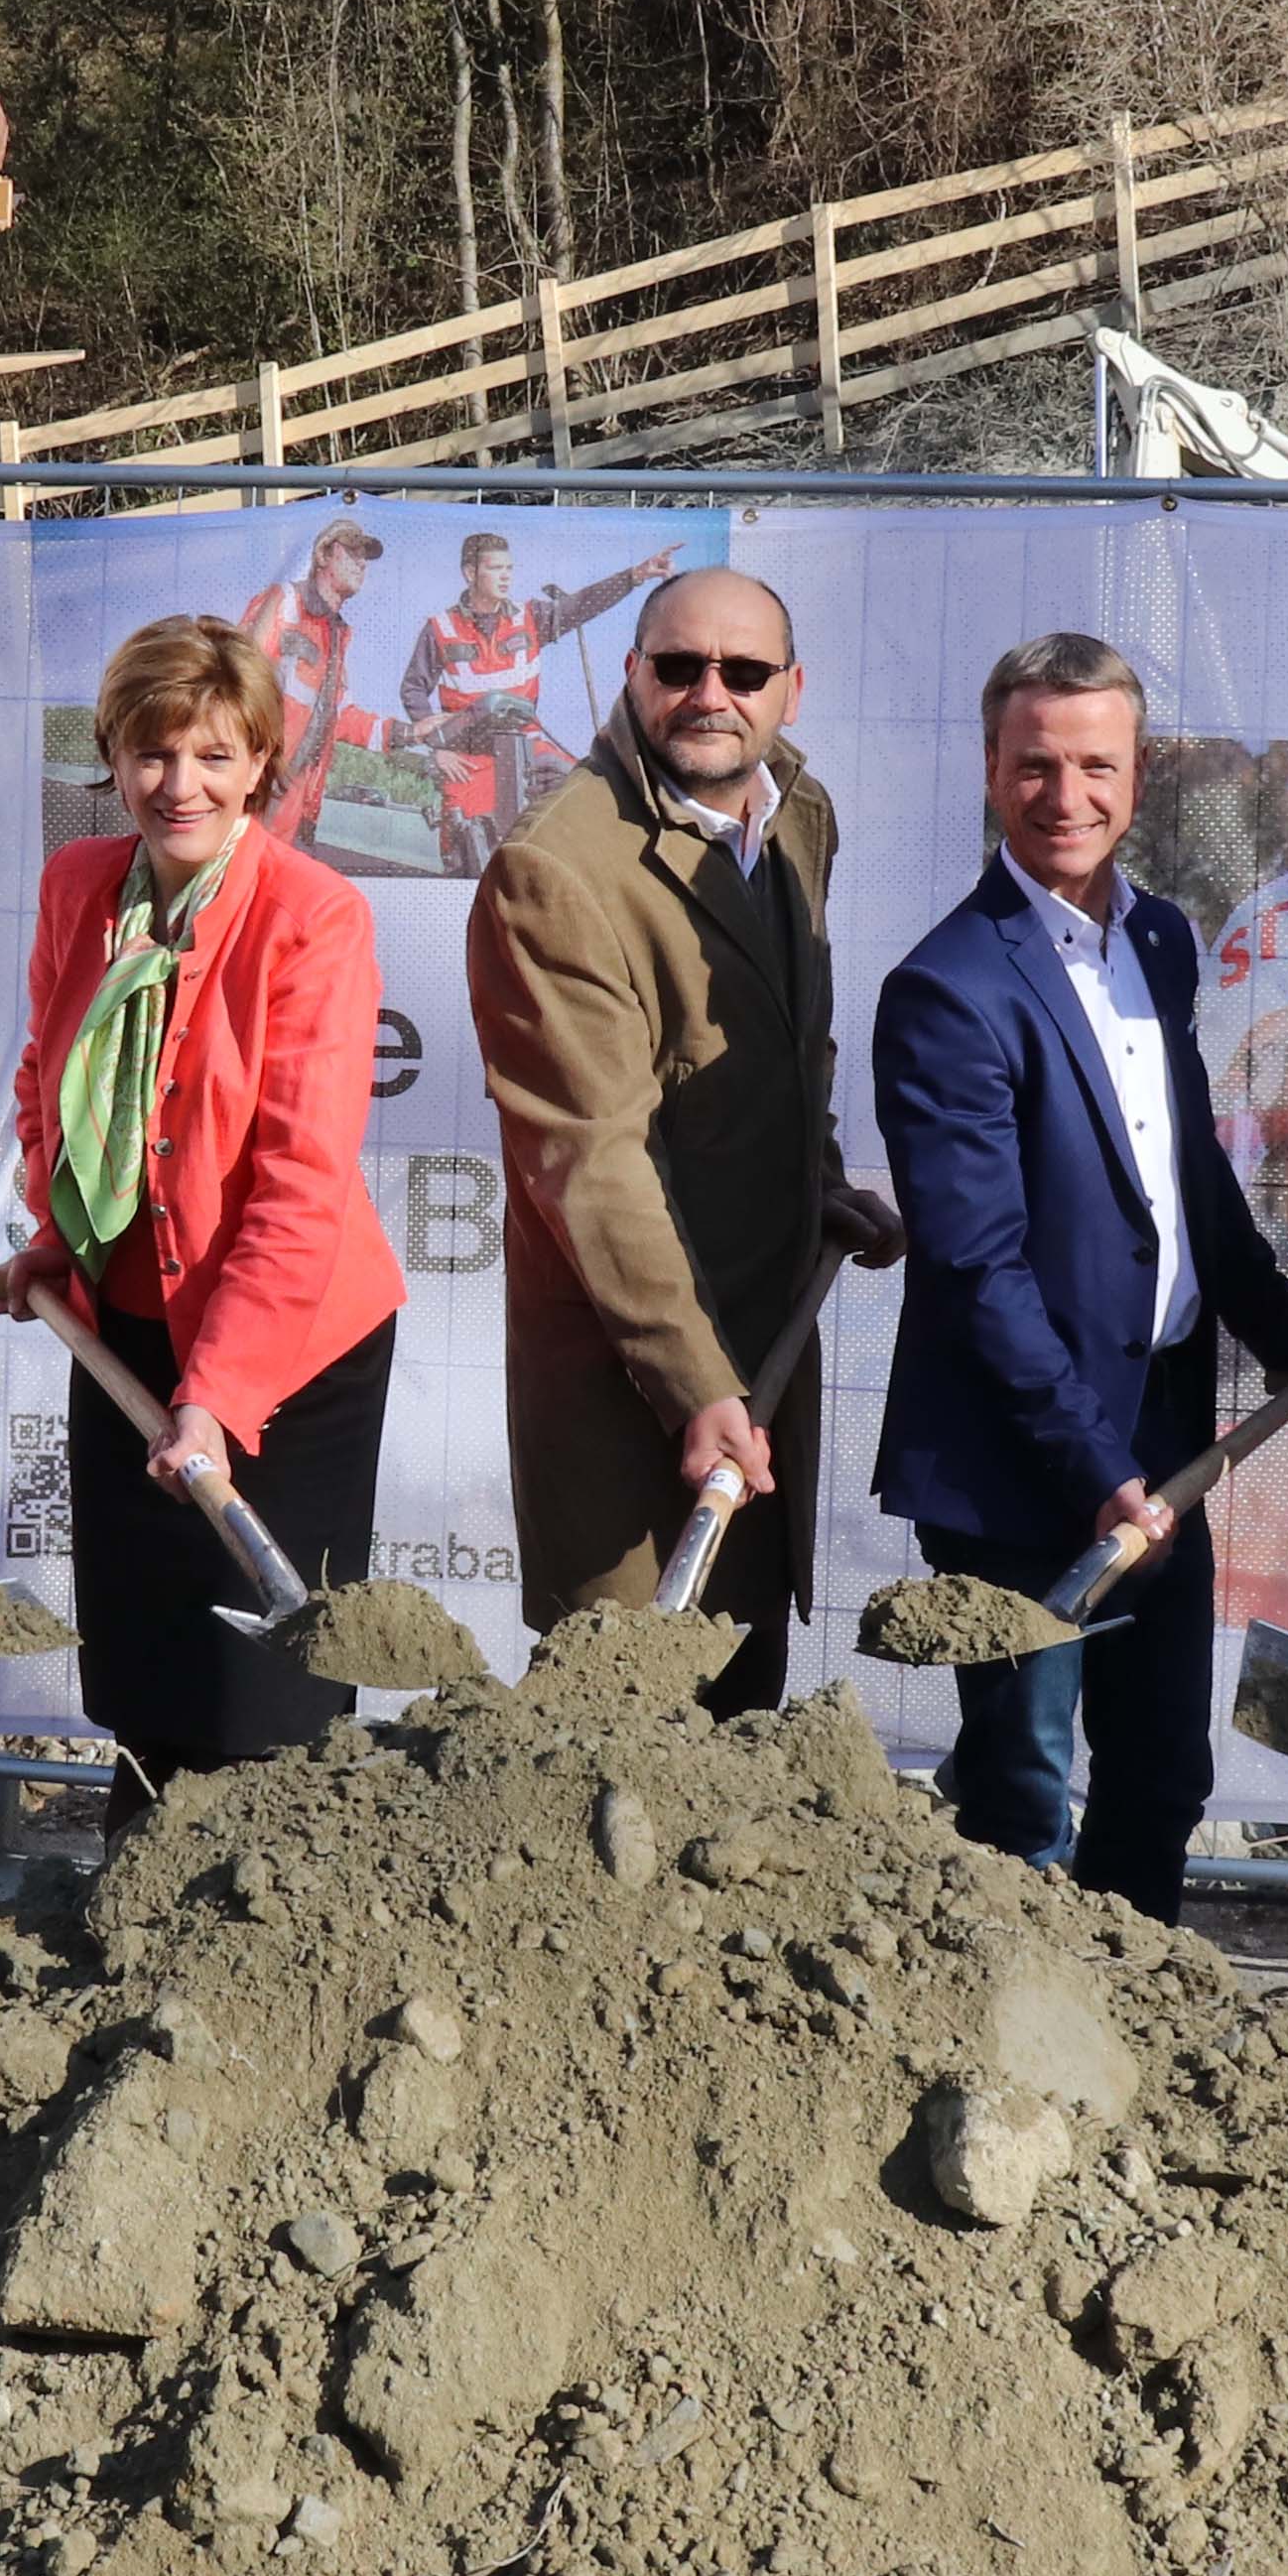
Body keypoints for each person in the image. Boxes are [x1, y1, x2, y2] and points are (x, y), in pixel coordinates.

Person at [875, 633, 1288, 1921]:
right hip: (1018, 1456)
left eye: (1095, 763)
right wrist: (1098, 1473)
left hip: (1156, 1436)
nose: (1065, 794)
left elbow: (1187, 1182)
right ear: (990, 768)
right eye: (1035, 763)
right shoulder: (946, 990)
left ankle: (1130, 2021)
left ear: (1138, 776)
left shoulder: (1159, 937)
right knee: (1023, 1790)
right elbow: (979, 1270)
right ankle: (1008, 2057)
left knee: (1162, 1771)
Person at [0, 615, 406, 1821]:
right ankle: (134, 1920)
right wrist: (59, 1246)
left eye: (215, 756)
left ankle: (259, 1941)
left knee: (267, 1691)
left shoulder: (310, 916)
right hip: (124, 1328)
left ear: (262, 763)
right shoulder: (79, 888)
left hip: (285, 1355)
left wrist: (218, 1396)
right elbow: (46, 1083)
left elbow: (298, 1177)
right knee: (143, 1664)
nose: (182, 786)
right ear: (113, 758)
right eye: (154, 754)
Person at [468, 566, 904, 1718]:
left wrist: (816, 1181)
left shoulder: (792, 813)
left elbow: (774, 1046)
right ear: (631, 674)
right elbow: (588, 1161)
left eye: (743, 671)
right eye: (677, 667)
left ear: (789, 690)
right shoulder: (556, 870)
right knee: (619, 1751)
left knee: (743, 1713)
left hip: (761, 1352)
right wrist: (692, 1386)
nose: (709, 693)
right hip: (635, 1390)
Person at [398, 530, 676, 871]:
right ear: (470, 573)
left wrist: (635, 576)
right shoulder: (440, 629)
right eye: (495, 568)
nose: (505, 576)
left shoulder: (530, 618)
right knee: (466, 848)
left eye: (509, 568)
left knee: (585, 789)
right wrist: (438, 749)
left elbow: (583, 604)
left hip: (526, 748)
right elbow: (412, 689)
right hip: (469, 759)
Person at [240, 519, 400, 855]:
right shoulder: (283, 602)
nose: (361, 563)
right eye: (353, 551)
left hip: (297, 806)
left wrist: (409, 734)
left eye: (365, 557)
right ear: (323, 555)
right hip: (257, 794)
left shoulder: (339, 635)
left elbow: (342, 717)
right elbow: (237, 683)